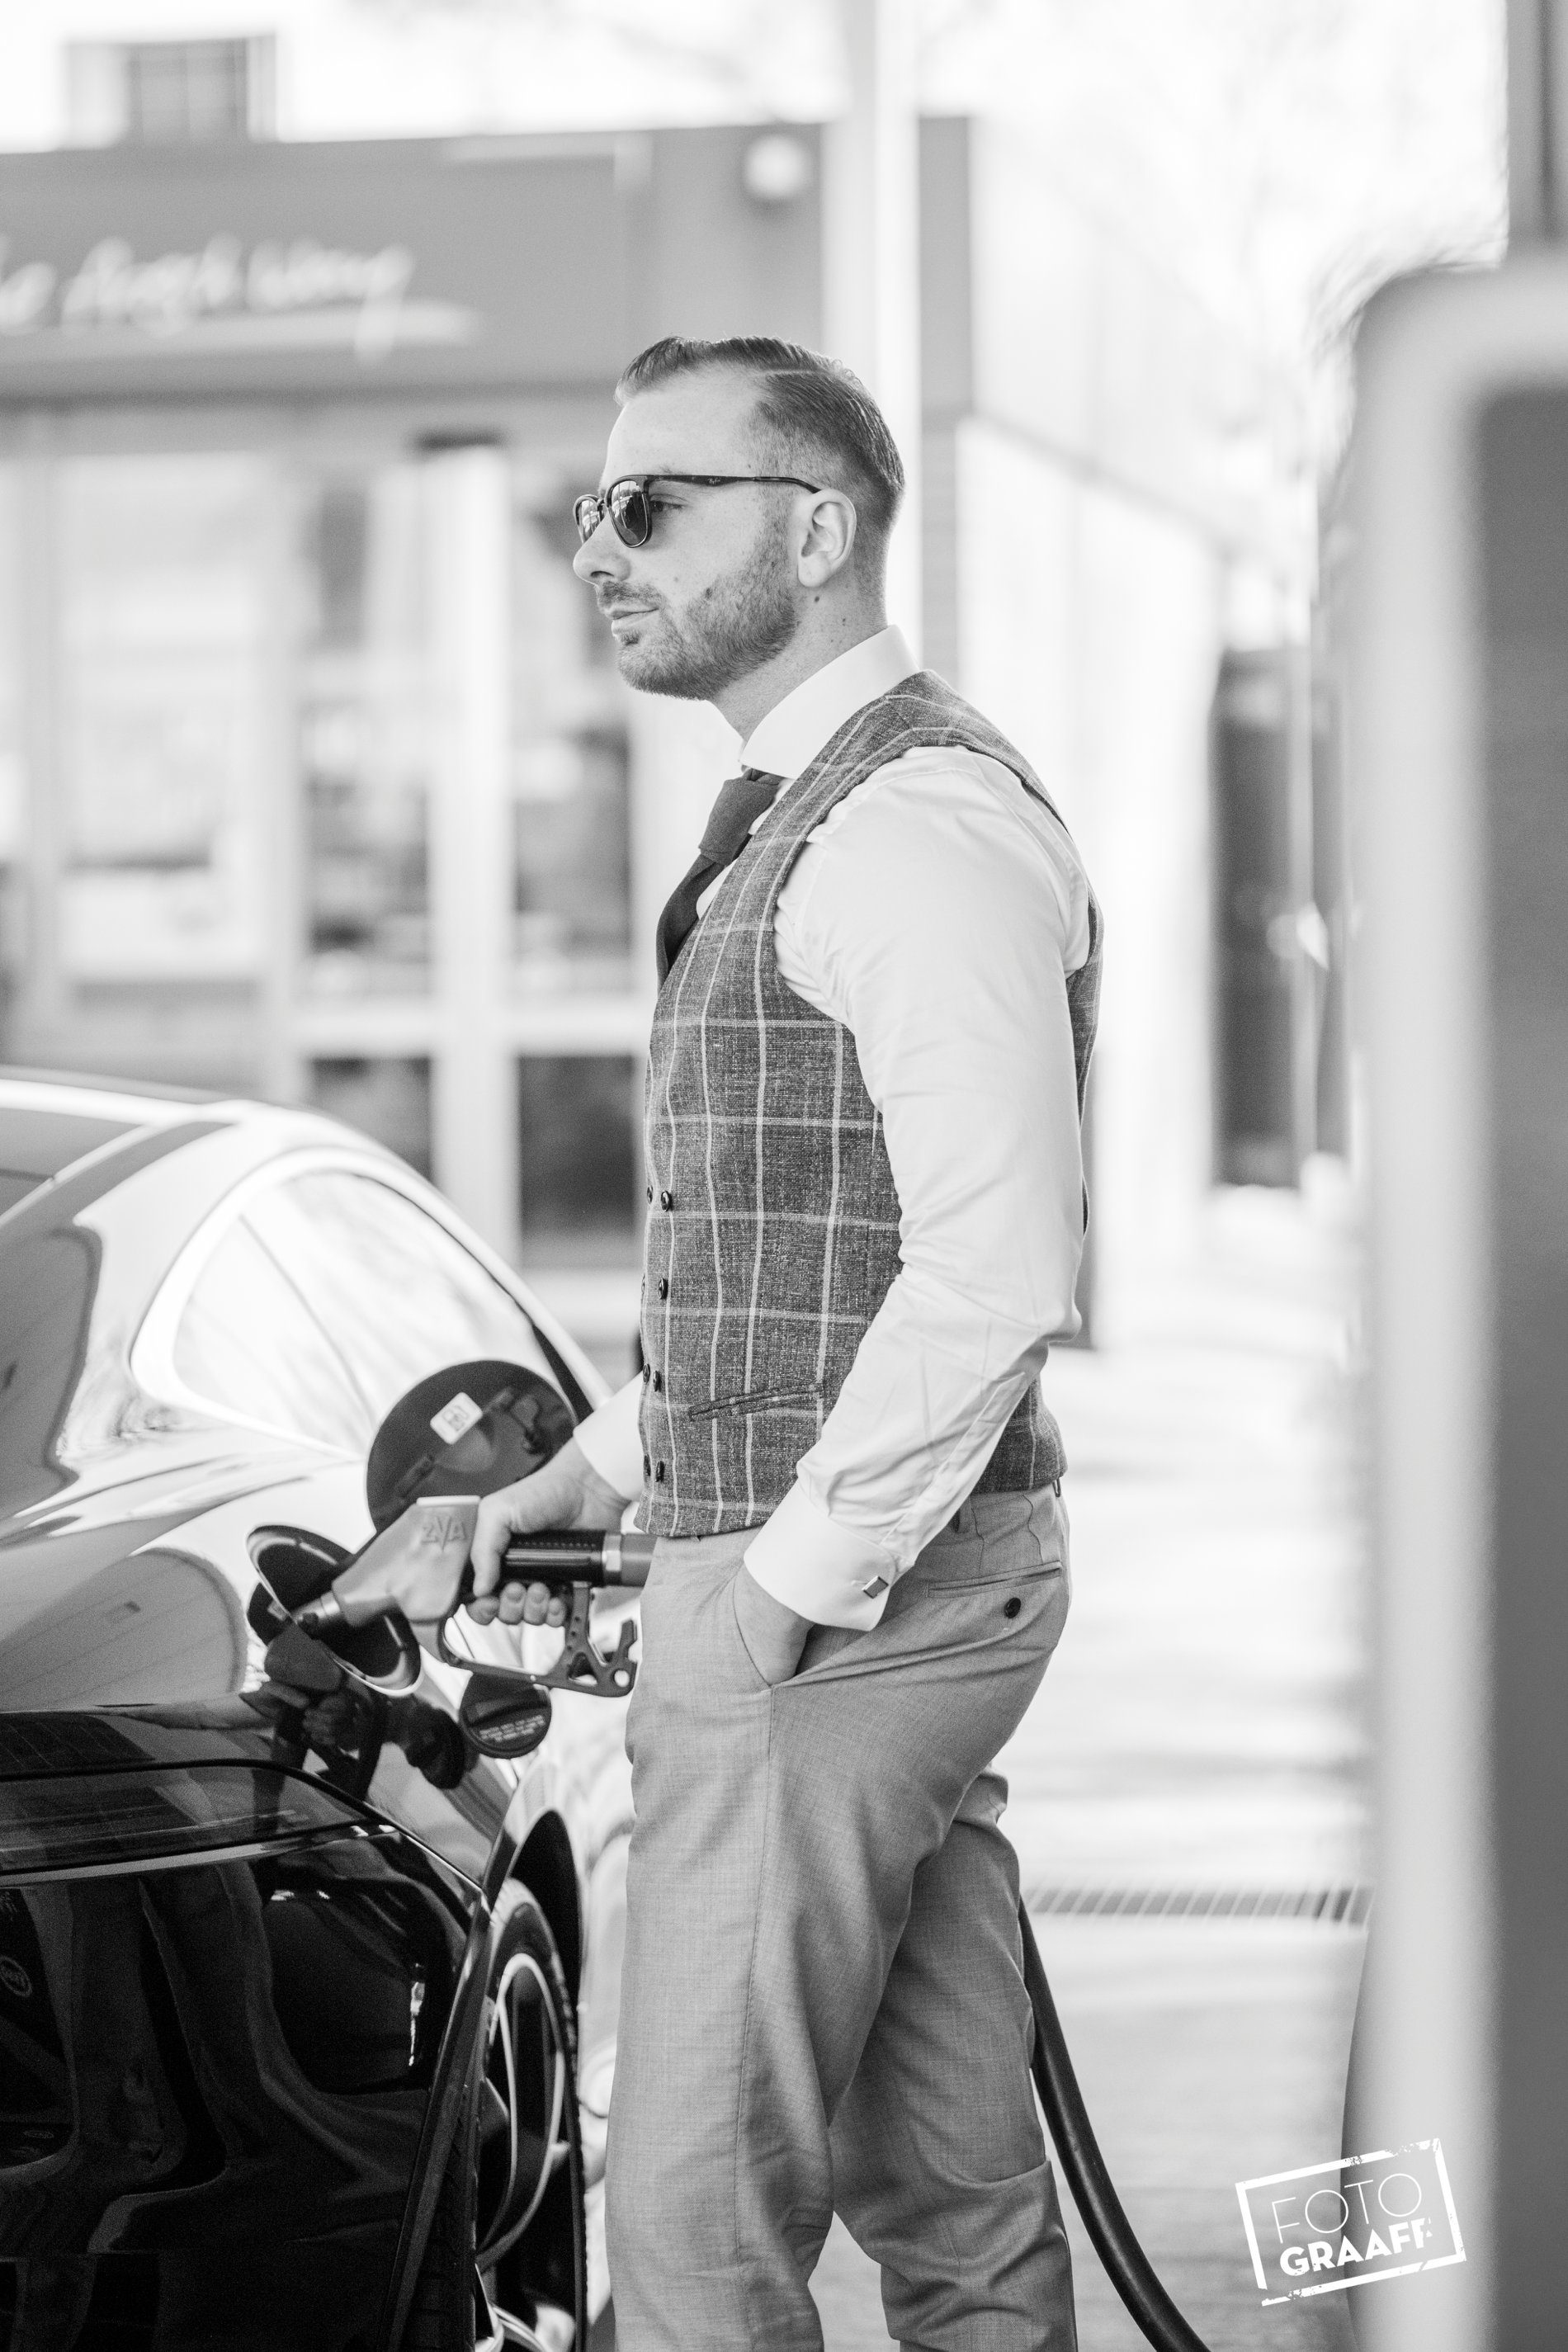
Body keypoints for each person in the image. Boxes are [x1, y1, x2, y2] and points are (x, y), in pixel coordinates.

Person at [468, 335, 1100, 2352]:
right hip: (852, 1591)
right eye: (590, 509)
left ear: (813, 531)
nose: (598, 549)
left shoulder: (907, 827)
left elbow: (994, 1261)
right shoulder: (805, 815)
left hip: (839, 1612)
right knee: (949, 2191)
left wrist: (774, 1599)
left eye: (650, 504)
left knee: (689, 2218)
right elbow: (798, 1249)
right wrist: (588, 1472)